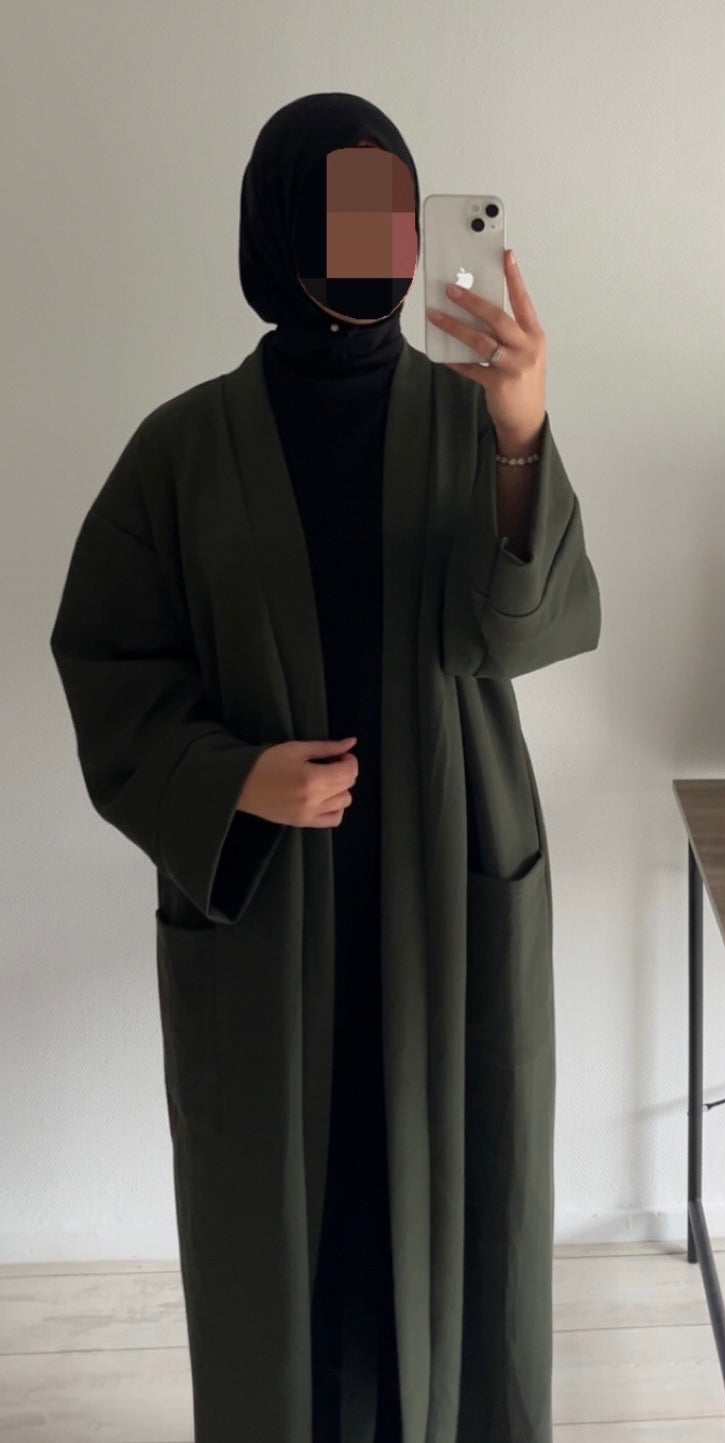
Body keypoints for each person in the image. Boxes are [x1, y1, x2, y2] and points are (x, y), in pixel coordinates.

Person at [49, 91, 602, 1443]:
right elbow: (109, 663)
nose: (378, 242)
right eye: (347, 211)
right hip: (272, 905)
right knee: (278, 1233)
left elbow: (527, 634)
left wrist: (523, 433)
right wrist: (232, 779)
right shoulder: (182, 450)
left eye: (393, 214)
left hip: (451, 885)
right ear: (279, 226)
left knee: (462, 1217)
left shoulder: (474, 418)